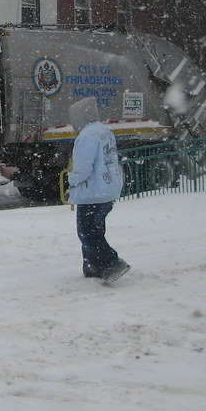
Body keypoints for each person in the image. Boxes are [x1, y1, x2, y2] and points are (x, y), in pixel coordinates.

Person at [67, 98, 130, 282]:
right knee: (96, 229)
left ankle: (112, 263)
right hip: (107, 190)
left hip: (92, 193)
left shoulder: (87, 135)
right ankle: (92, 266)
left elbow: (83, 168)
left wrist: (71, 180)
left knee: (86, 232)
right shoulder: (104, 132)